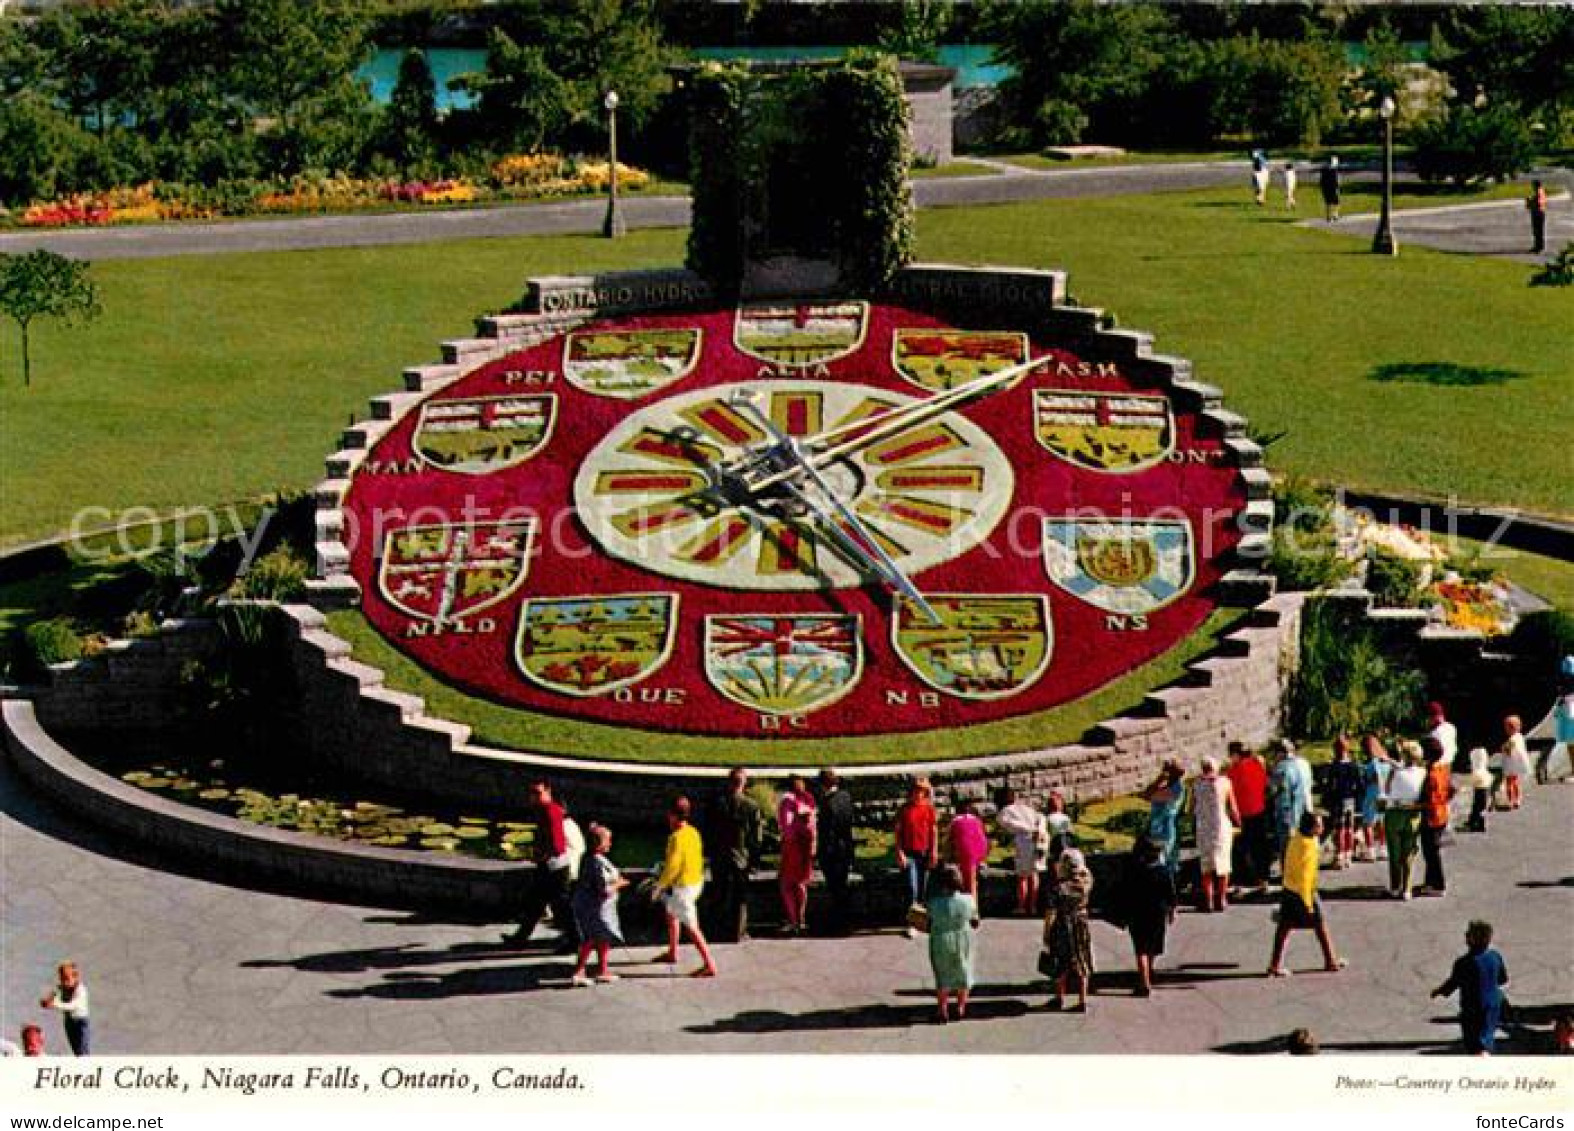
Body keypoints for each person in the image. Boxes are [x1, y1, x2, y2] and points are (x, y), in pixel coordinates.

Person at [503, 781, 581, 952]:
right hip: (552, 865)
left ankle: (575, 940)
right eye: (531, 793)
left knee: (561, 906)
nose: (533, 797)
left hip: (555, 867)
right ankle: (520, 938)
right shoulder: (546, 810)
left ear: (548, 791)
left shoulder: (550, 811)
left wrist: (541, 855)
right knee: (537, 902)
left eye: (537, 793)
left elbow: (557, 844)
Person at [1267, 811, 1345, 977]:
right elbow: (1306, 876)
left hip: (1289, 888)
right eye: (1319, 825)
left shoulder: (1297, 839)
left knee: (1284, 927)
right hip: (1303, 892)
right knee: (1320, 923)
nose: (1322, 827)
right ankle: (1331, 961)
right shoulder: (1307, 846)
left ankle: (1274, 965)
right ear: (1311, 828)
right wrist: (1308, 903)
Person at [652, 796, 717, 977]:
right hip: (695, 881)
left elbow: (672, 867)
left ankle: (709, 964)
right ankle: (673, 952)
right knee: (671, 913)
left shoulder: (675, 838)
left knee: (691, 926)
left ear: (672, 815)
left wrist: (658, 887)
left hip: (683, 887)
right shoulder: (693, 832)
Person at [1431, 920, 1509, 1056]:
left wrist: (1439, 991)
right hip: (1493, 1004)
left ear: (1472, 939)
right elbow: (1502, 979)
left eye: (1468, 934)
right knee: (1487, 1034)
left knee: (1473, 1041)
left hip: (1472, 1007)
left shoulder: (1464, 963)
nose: (1465, 935)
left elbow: (1453, 983)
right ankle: (1486, 1053)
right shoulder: (1495, 956)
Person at [703, 767, 762, 943]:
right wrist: (754, 860)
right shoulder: (751, 806)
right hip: (741, 858)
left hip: (720, 855)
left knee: (718, 894)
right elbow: (756, 838)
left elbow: (709, 830)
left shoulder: (717, 803)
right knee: (740, 897)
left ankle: (715, 930)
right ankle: (738, 932)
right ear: (744, 783)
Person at [569, 823, 629, 986]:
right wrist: (620, 884)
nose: (610, 843)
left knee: (603, 937)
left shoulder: (590, 858)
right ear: (599, 843)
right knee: (591, 938)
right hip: (594, 907)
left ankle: (603, 969)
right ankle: (579, 971)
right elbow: (604, 889)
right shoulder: (596, 863)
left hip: (597, 906)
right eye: (608, 840)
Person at [1119, 835, 1177, 998]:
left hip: (1138, 913)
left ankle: (1144, 982)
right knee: (1152, 946)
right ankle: (1149, 971)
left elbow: (1125, 893)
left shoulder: (1134, 870)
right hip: (1158, 913)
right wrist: (1172, 911)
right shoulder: (1163, 871)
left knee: (1141, 949)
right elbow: (1171, 894)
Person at [1040, 848, 1095, 1012]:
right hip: (1081, 923)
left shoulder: (1059, 889)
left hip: (1063, 925)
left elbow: (1051, 912)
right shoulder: (1086, 883)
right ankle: (1082, 999)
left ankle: (1059, 997)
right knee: (1082, 960)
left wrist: (1046, 933)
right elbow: (1086, 873)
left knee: (1061, 962)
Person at [925, 864, 979, 1024]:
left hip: (941, 940)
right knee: (963, 971)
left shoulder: (934, 903)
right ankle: (961, 1007)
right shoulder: (968, 900)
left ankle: (942, 1010)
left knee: (942, 976)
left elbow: (928, 921)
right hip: (963, 939)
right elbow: (975, 920)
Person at [1191, 757, 1240, 911]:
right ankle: (1222, 898)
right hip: (1220, 826)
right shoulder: (1224, 782)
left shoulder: (1197, 784)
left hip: (1203, 827)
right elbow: (1232, 807)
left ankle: (1209, 899)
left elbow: (1191, 808)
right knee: (1223, 863)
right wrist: (1238, 822)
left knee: (1206, 866)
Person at [1383, 741, 1428, 899]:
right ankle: (1407, 888)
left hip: (1395, 812)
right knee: (1409, 852)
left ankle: (1395, 885)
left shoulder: (1396, 772)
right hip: (1413, 813)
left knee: (1394, 853)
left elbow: (1386, 790)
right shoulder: (1423, 772)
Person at [894, 779, 939, 934]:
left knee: (923, 888)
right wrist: (899, 852)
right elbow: (898, 832)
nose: (917, 794)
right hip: (909, 853)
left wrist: (934, 851)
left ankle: (921, 920)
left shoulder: (929, 809)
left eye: (921, 791)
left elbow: (933, 831)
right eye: (915, 790)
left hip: (924, 852)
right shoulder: (904, 810)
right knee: (911, 887)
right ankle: (912, 922)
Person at [816, 769, 857, 936]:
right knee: (842, 886)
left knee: (835, 889)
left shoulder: (827, 803)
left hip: (832, 852)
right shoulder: (845, 797)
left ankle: (839, 924)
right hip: (845, 848)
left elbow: (828, 832)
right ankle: (845, 922)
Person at [995, 787, 1048, 915]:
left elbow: (1011, 825)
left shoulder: (1004, 812)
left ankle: (1022, 906)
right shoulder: (1026, 808)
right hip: (1041, 838)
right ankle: (1033, 906)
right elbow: (1041, 817)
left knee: (1022, 875)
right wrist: (1039, 830)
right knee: (1034, 873)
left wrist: (1030, 830)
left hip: (1026, 840)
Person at [1227, 742, 1272, 891]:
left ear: (1236, 755)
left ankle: (1245, 877)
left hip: (1243, 814)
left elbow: (1230, 793)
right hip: (1259, 810)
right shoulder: (1257, 765)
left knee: (1243, 848)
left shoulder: (1233, 771)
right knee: (1260, 846)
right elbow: (1265, 784)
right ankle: (1263, 877)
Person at [776, 776, 817, 935]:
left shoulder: (787, 802)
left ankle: (793, 920)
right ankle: (802, 919)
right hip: (806, 846)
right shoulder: (809, 800)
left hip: (792, 846)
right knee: (801, 883)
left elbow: (786, 826)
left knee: (786, 885)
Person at [1269, 739, 1313, 873]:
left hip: (1287, 813)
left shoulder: (1281, 768)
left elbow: (1274, 791)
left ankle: (1288, 876)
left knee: (1287, 846)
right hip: (1306, 809)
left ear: (1280, 753)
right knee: (1304, 844)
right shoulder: (1304, 763)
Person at [1418, 738, 1455, 896]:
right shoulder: (1443, 769)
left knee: (1431, 852)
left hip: (1431, 817)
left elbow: (1429, 800)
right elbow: (1452, 789)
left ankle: (1438, 884)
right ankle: (1430, 882)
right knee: (1432, 850)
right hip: (1442, 813)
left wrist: (1414, 806)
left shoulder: (1430, 775)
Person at [1324, 735, 1365, 869]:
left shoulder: (1334, 766)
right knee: (1349, 828)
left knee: (1340, 829)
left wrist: (1328, 800)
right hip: (1351, 799)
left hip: (1338, 799)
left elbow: (1330, 786)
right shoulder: (1354, 765)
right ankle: (1348, 854)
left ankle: (1340, 856)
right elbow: (1360, 786)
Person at [1141, 760, 1187, 876]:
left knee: (1165, 859)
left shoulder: (1178, 787)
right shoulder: (1165, 785)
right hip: (1157, 826)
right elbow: (1146, 794)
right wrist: (1159, 780)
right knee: (1157, 858)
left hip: (1166, 827)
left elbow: (1149, 796)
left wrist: (1159, 781)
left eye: (1167, 770)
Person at [1357, 734, 1394, 862]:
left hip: (1372, 794)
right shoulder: (1386, 761)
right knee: (1381, 822)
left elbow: (1370, 778)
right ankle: (1383, 849)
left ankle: (1371, 850)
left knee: (1368, 822)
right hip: (1385, 794)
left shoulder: (1372, 763)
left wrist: (1360, 768)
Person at [40, 961, 89, 1056]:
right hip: (69, 1022)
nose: (64, 982)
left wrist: (55, 1004)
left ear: (76, 977)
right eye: (61, 979)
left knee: (82, 1051)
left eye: (66, 979)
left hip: (80, 1022)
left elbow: (72, 1006)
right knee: (76, 1050)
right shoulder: (61, 988)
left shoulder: (81, 990)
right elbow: (53, 996)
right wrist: (47, 1002)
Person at [947, 798, 989, 898]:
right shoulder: (976, 820)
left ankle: (973, 909)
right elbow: (983, 835)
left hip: (967, 850)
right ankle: (971, 904)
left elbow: (950, 838)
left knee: (970, 882)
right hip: (980, 850)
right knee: (971, 878)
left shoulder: (956, 820)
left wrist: (948, 855)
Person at [1499, 715, 1531, 811]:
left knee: (1509, 783)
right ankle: (1517, 799)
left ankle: (1510, 801)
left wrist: (1503, 748)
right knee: (1516, 782)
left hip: (1510, 764)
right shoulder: (1520, 737)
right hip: (1518, 764)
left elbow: (1508, 751)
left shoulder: (1511, 740)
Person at [1465, 746, 1494, 833]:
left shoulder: (1474, 751)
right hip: (1485, 778)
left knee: (1478, 804)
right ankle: (1477, 822)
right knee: (1481, 805)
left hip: (1478, 779)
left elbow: (1473, 764)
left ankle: (1479, 823)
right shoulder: (1483, 751)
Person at [1527, 179, 1548, 254]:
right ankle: (1538, 245)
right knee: (1538, 231)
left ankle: (1538, 247)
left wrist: (1530, 201)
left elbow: (1538, 203)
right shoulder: (1541, 191)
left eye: (1533, 185)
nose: (1532, 187)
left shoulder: (1539, 192)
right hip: (1539, 213)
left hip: (1538, 213)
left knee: (1538, 231)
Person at [1319, 155, 1341, 222]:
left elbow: (1321, 180)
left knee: (1328, 202)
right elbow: (1336, 180)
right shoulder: (1334, 171)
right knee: (1336, 202)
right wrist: (1337, 188)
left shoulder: (1323, 169)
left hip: (1325, 188)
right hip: (1332, 188)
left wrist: (1322, 187)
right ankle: (1335, 215)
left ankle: (1329, 217)